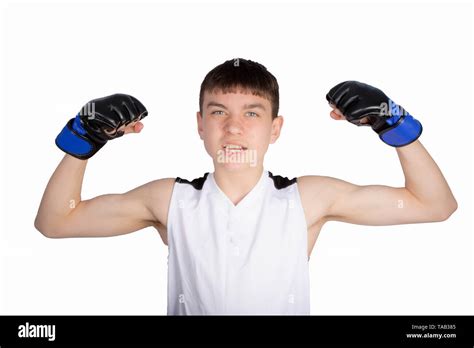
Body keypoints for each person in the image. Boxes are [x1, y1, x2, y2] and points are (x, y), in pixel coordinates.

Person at [34, 58, 457, 315]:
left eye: (252, 114)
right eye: (218, 112)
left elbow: (435, 205)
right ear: (200, 124)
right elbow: (56, 221)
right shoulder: (170, 200)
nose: (234, 127)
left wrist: (397, 126)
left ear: (275, 129)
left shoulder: (307, 199)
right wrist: (81, 143)